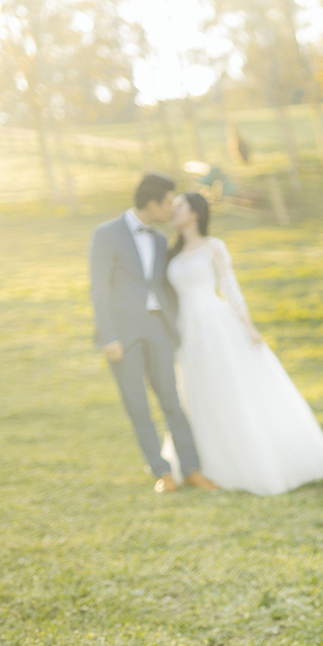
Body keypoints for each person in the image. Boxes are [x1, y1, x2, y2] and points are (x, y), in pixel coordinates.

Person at [166, 191, 323, 495]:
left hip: (213, 323)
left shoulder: (212, 247)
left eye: (180, 206)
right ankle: (202, 462)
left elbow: (230, 287)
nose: (173, 211)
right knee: (197, 389)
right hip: (186, 330)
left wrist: (248, 326)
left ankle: (250, 459)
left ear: (195, 214)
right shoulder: (172, 253)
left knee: (227, 385)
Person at [89, 173, 218, 493]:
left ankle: (192, 469)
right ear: (152, 204)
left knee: (171, 399)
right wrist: (109, 337)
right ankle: (162, 472)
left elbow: (166, 285)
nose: (172, 209)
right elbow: (99, 288)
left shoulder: (161, 239)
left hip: (158, 328)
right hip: (122, 333)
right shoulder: (106, 234)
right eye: (168, 203)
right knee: (137, 404)